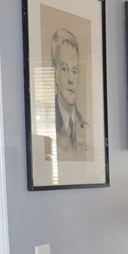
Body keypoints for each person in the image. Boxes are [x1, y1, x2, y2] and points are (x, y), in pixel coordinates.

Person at [51, 28, 89, 159]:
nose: (70, 79)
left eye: (74, 71)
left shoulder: (86, 127)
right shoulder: (48, 124)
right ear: (55, 74)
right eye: (64, 69)